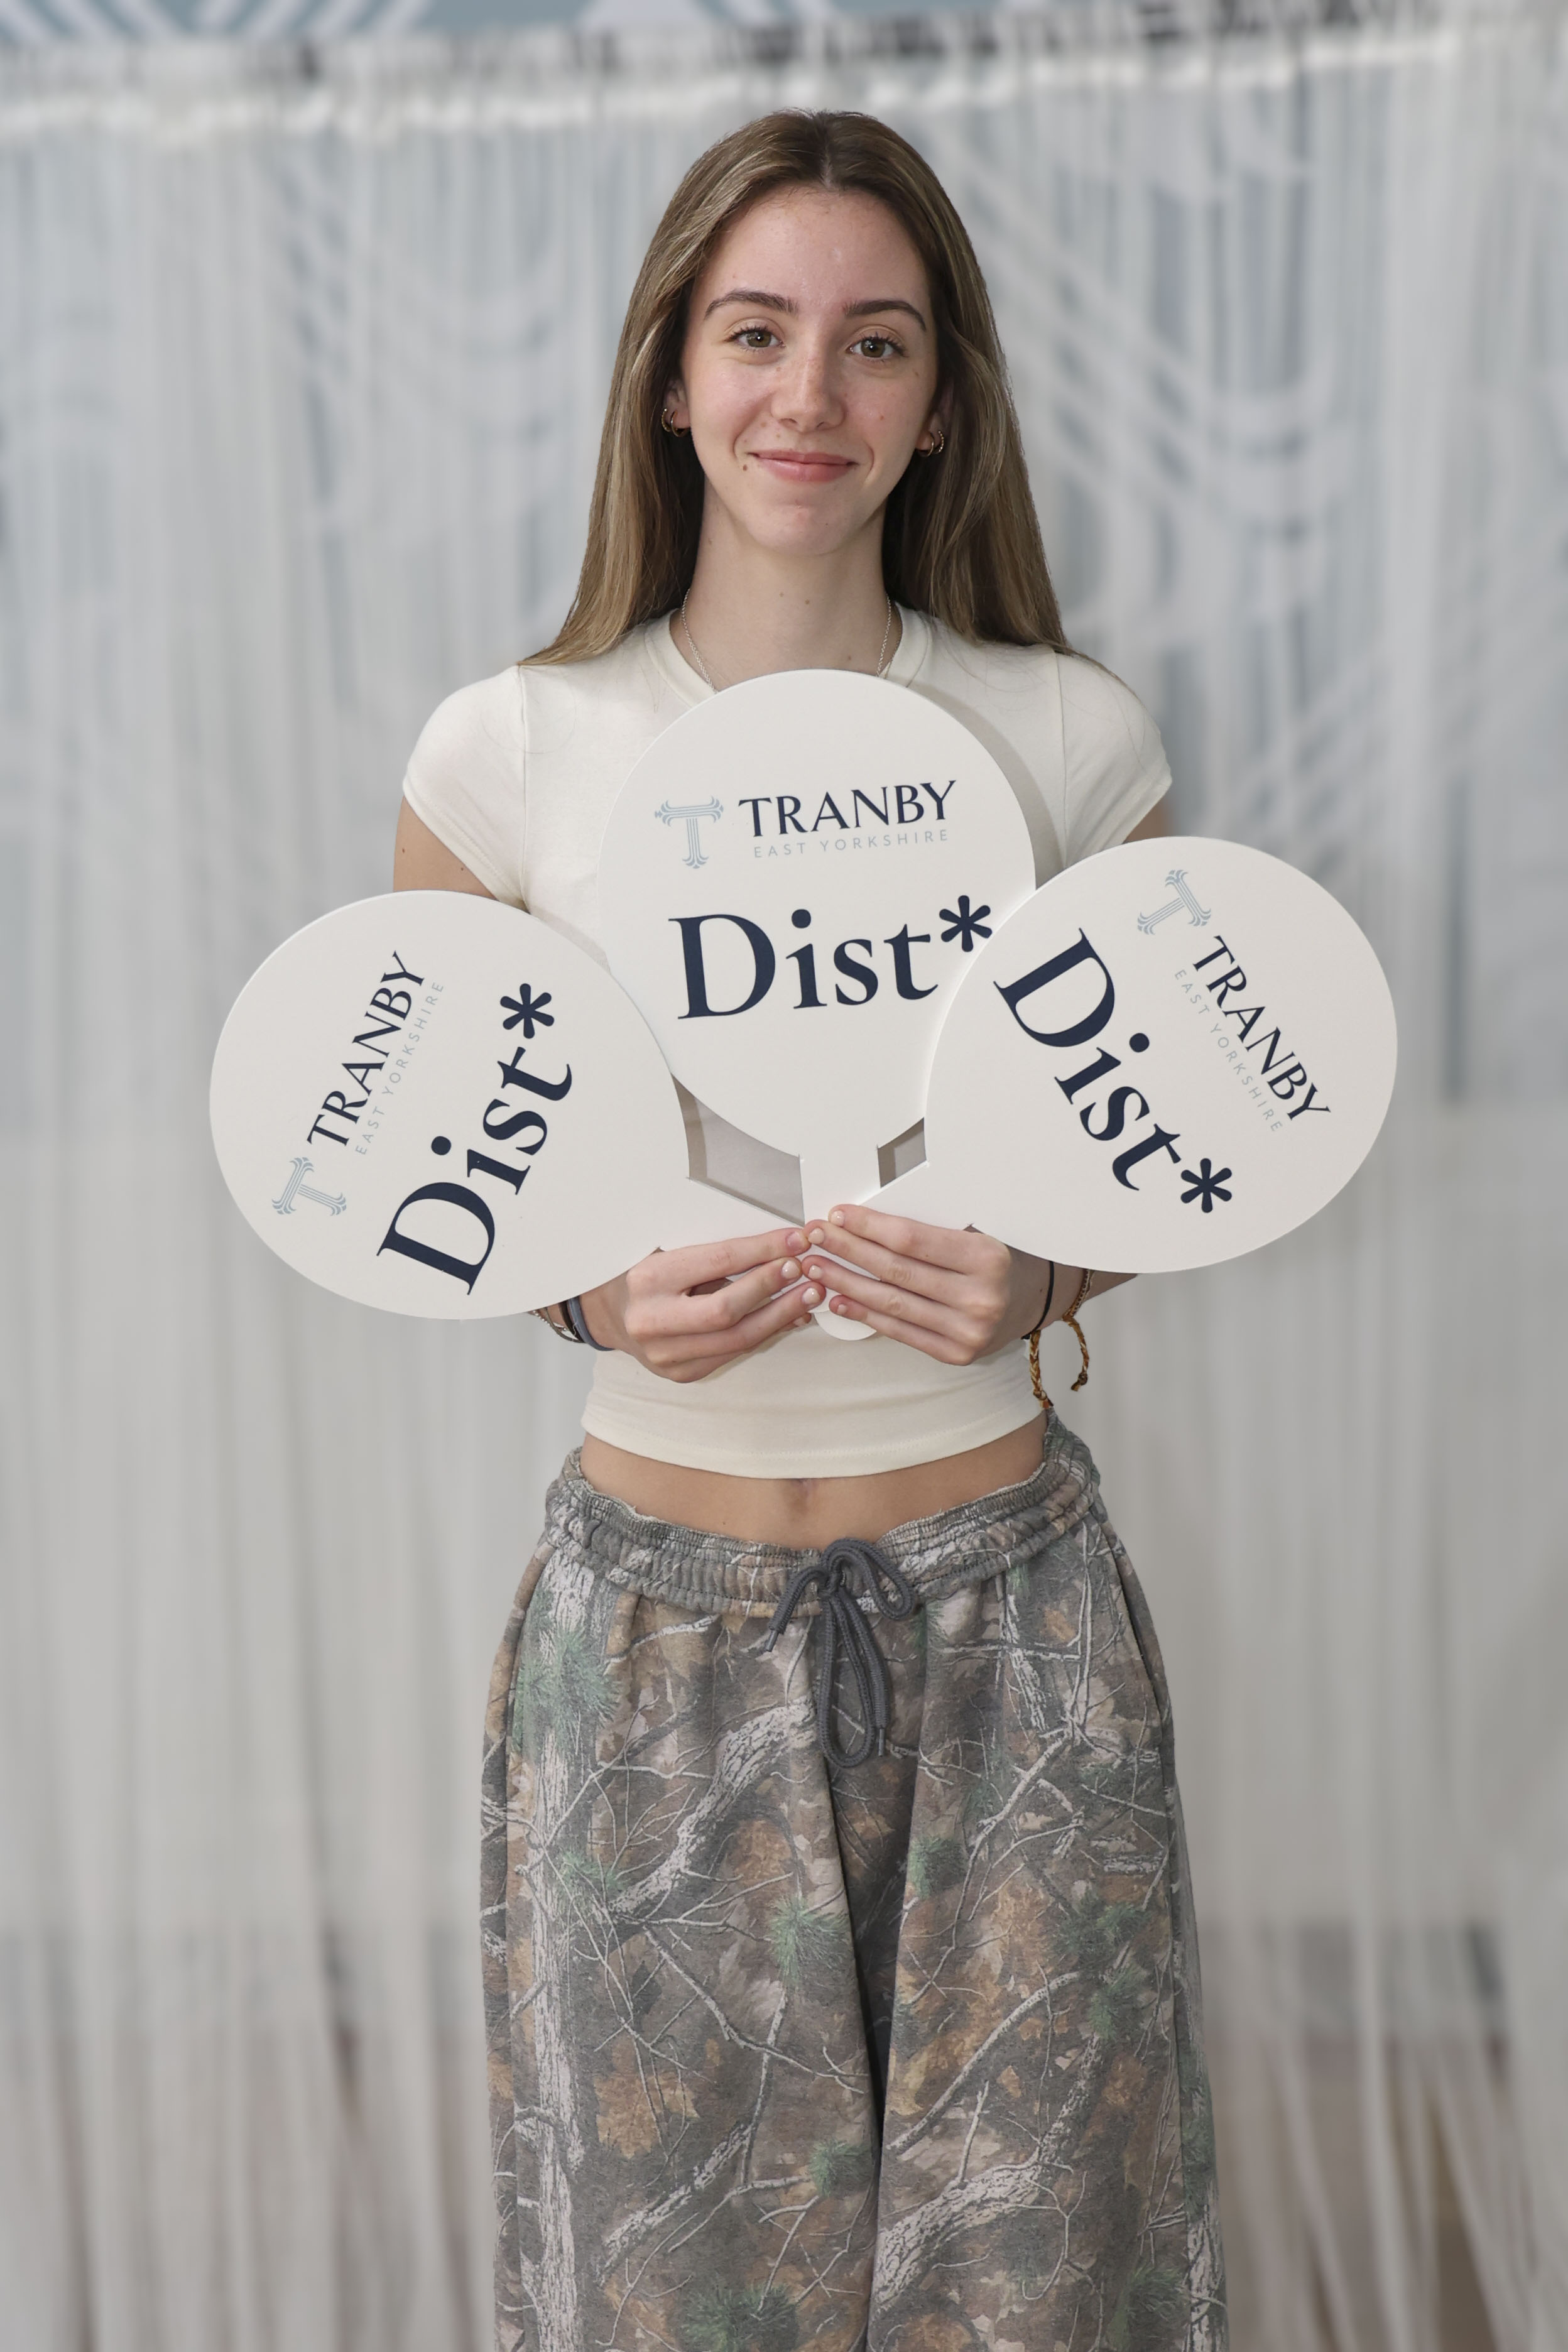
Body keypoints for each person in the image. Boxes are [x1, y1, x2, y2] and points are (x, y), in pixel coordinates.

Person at [395, 111, 1226, 2352]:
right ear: (672, 376)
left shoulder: (1069, 740)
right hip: (647, 1642)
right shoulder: (508, 754)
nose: (810, 397)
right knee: (668, 2297)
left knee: (1047, 2290)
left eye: (877, 343)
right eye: (756, 334)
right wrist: (589, 1284)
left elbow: (1165, 1143)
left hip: (1012, 1618)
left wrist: (1047, 1274)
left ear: (940, 400)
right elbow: (449, 1173)